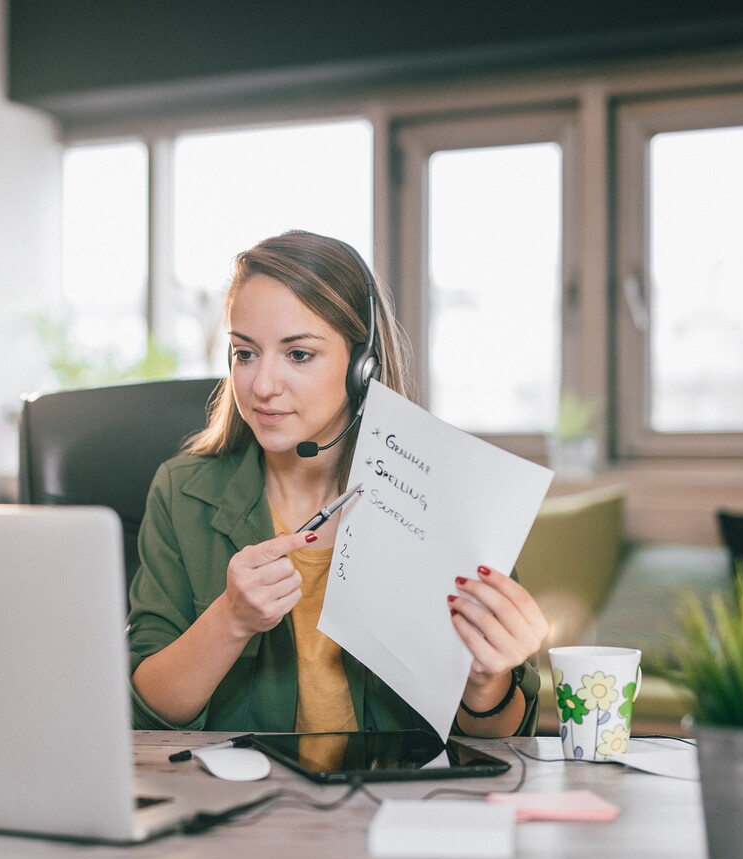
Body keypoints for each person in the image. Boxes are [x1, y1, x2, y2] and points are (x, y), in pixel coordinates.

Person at [127, 230, 548, 738]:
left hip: (399, 806)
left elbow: (502, 739)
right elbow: (144, 711)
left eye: (298, 354)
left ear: (361, 364)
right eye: (245, 353)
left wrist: (485, 682)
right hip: (242, 806)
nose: (262, 386)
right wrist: (230, 621)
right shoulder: (182, 492)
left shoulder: (445, 490)